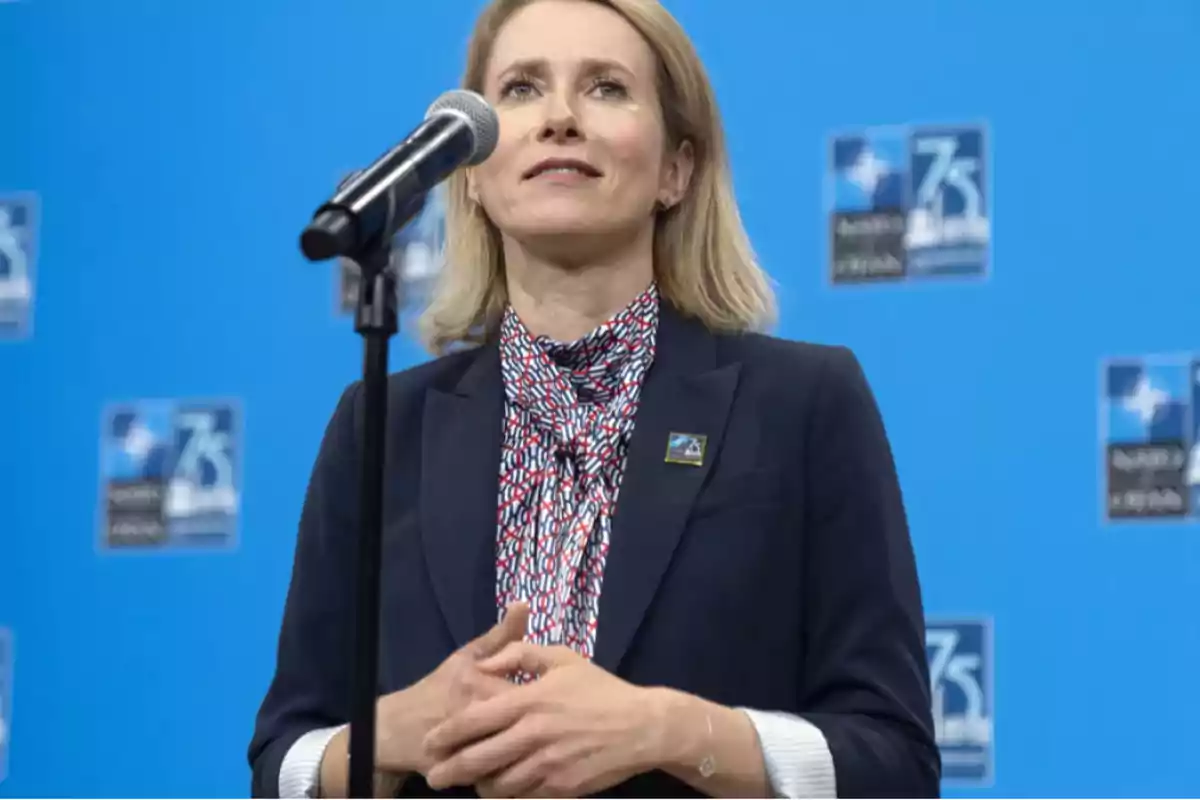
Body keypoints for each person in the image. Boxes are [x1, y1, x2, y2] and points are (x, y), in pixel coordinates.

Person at [247, 0, 939, 796]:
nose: (560, 118)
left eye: (606, 88)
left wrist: (671, 731)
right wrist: (386, 735)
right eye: (520, 89)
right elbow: (279, 764)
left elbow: (895, 765)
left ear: (676, 169)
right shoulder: (379, 426)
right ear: (469, 173)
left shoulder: (805, 404)